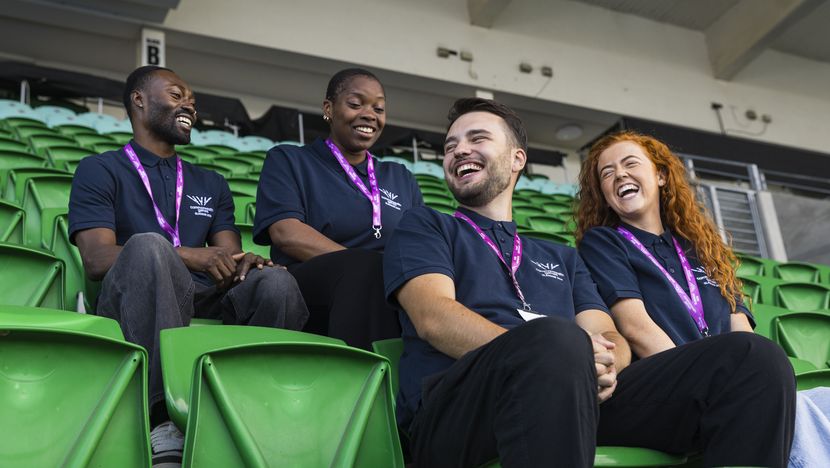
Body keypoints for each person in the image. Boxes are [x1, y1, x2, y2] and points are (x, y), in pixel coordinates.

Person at [383, 98, 796, 468]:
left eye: (477, 139)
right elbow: (434, 317)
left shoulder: (562, 257)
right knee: (557, 339)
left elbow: (609, 335)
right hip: (459, 409)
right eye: (450, 146)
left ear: (517, 159)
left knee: (753, 358)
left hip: (573, 394)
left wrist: (604, 365)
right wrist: (552, 354)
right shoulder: (425, 225)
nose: (459, 150)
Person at [69, 66, 309, 467]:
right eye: (177, 95)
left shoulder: (211, 182)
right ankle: (165, 419)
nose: (190, 106)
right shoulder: (100, 169)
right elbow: (96, 259)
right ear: (139, 100)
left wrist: (248, 263)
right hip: (136, 295)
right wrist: (187, 254)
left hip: (202, 293)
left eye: (193, 101)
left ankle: (257, 415)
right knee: (149, 246)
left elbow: (228, 259)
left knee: (276, 283)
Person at [576, 130, 826, 468]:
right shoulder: (604, 242)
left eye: (630, 164)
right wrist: (703, 376)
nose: (619, 174)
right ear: (604, 195)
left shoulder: (703, 248)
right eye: (607, 173)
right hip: (661, 385)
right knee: (755, 359)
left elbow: (740, 327)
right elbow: (636, 328)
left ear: (661, 176)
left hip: (725, 374)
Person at [253, 67, 422, 349]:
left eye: (378, 108)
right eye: (355, 104)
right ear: (328, 109)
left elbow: (417, 246)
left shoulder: (401, 177)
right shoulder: (289, 160)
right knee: (365, 270)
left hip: (387, 288)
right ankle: (358, 372)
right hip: (311, 285)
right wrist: (365, 266)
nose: (369, 114)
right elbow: (286, 233)